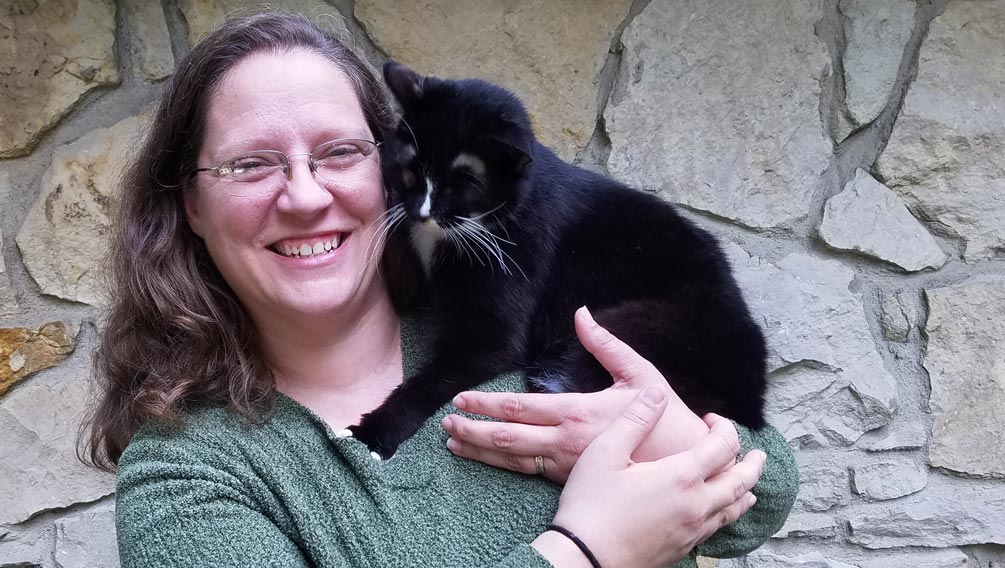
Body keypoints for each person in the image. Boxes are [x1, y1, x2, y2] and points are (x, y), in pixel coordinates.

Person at [83, 11, 797, 568]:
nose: (304, 197)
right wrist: (588, 550)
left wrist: (662, 434)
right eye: (250, 164)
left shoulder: (501, 312)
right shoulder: (189, 473)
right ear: (191, 205)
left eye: (339, 152)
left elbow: (770, 485)